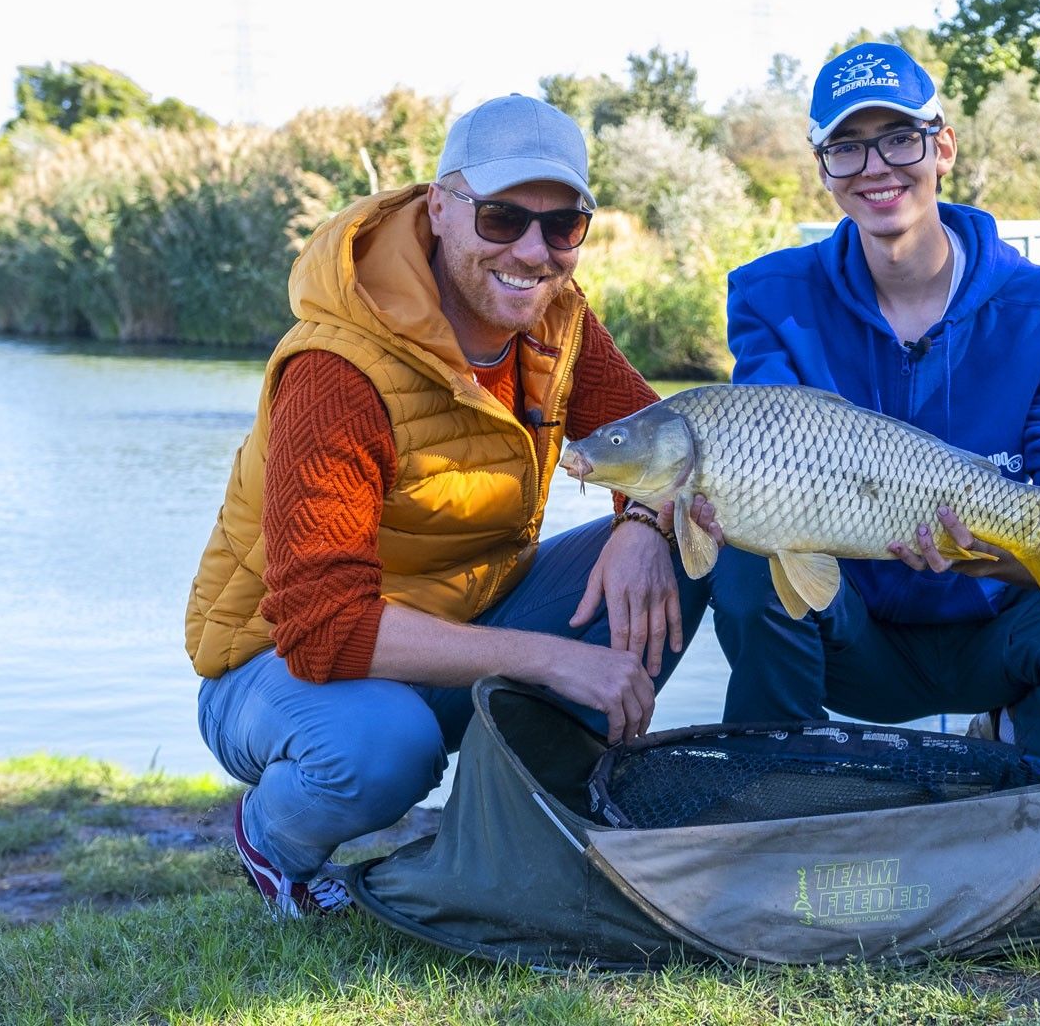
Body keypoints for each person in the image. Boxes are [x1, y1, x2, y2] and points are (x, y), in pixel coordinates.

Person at [185, 94, 707, 917]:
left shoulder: (556, 319)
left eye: (563, 225)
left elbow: (661, 446)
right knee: (380, 748)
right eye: (502, 218)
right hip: (276, 664)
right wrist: (554, 659)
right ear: (439, 208)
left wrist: (642, 520)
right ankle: (274, 840)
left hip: (464, 618)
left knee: (686, 543)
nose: (534, 252)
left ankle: (543, 820)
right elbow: (323, 627)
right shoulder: (336, 372)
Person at [706, 43, 1040, 779]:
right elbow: (753, 469)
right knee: (744, 569)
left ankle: (1018, 770)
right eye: (847, 148)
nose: (876, 168)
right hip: (848, 635)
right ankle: (778, 785)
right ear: (823, 168)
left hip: (998, 634)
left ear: (942, 147)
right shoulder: (771, 299)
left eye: (899, 139)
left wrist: (982, 556)